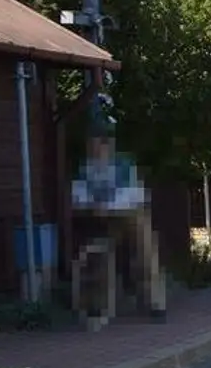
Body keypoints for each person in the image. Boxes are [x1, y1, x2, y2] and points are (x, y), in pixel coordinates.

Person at [70, 99, 167, 322]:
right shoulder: (86, 169)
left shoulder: (124, 166)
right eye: (94, 142)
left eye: (102, 141)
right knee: (95, 250)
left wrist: (106, 204)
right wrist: (93, 206)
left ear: (109, 144)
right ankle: (96, 303)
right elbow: (78, 196)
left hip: (128, 217)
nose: (98, 147)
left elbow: (134, 196)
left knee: (143, 241)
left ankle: (153, 300)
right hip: (100, 221)